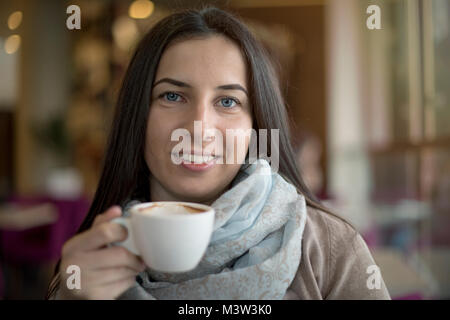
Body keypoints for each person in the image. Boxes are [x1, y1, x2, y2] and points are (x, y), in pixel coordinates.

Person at [46, 7, 390, 300]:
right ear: (138, 116)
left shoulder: (329, 247)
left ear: (256, 127)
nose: (198, 127)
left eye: (228, 102)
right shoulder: (93, 263)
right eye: (172, 96)